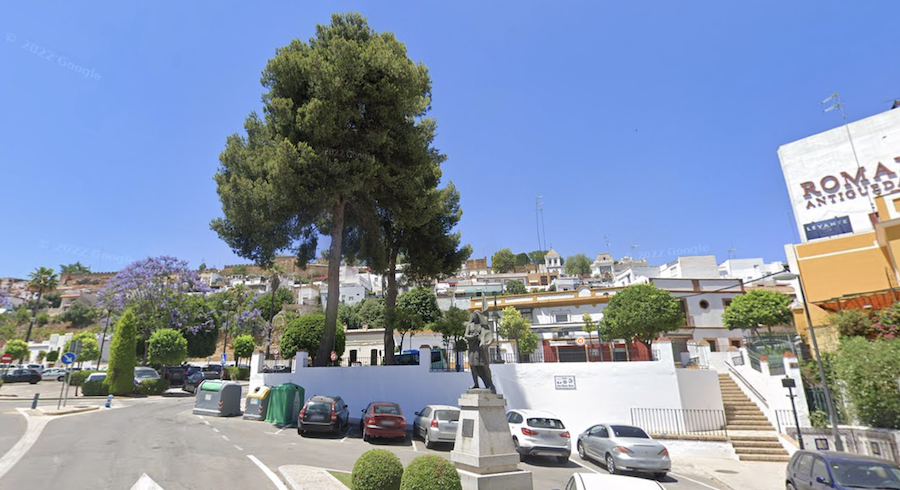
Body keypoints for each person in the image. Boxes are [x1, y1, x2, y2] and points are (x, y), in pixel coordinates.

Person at [465, 309, 495, 393]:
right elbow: (466, 335)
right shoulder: (469, 326)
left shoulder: (483, 326)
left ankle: (489, 383)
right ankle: (476, 383)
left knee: (484, 367)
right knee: (473, 367)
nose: (473, 316)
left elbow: (489, 337)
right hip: (472, 349)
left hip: (480, 350)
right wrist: (473, 337)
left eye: (474, 315)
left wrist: (486, 343)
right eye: (472, 315)